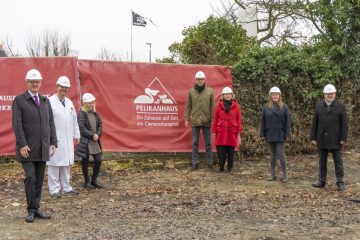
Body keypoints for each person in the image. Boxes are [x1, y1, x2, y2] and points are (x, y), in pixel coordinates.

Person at [12, 68, 57, 222]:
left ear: (40, 83)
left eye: (37, 81)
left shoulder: (45, 101)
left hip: (43, 148)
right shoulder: (19, 100)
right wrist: (22, 144)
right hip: (27, 149)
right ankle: (31, 209)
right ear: (27, 82)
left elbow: (51, 123)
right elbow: (17, 125)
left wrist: (53, 142)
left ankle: (36, 208)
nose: (35, 84)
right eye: (32, 81)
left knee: (38, 179)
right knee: (30, 177)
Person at [47, 76, 80, 199]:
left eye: (66, 88)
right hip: (54, 139)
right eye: (62, 87)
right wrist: (50, 138)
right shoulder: (49, 101)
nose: (64, 90)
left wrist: (77, 134)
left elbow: (74, 119)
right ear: (57, 86)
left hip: (67, 140)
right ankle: (54, 190)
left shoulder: (69, 102)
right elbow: (47, 122)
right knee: (54, 165)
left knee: (66, 164)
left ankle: (66, 187)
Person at [310, 84, 348, 191]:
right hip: (321, 138)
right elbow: (315, 123)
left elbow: (344, 124)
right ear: (324, 94)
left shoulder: (341, 106)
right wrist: (313, 137)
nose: (330, 95)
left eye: (331, 93)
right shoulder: (318, 106)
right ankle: (322, 181)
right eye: (328, 94)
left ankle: (340, 182)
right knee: (322, 162)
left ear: (335, 94)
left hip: (336, 139)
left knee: (338, 162)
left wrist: (343, 138)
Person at [185, 71, 215, 170]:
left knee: (208, 143)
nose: (200, 81)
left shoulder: (210, 91)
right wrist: (186, 118)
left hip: (206, 120)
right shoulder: (191, 91)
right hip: (195, 120)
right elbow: (188, 106)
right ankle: (195, 162)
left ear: (204, 79)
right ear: (196, 80)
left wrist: (212, 119)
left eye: (201, 79)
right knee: (195, 142)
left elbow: (212, 107)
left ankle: (210, 162)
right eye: (198, 79)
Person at [260, 86, 291, 183]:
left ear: (279, 95)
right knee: (272, 155)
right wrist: (262, 133)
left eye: (276, 94)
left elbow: (287, 122)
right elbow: (263, 121)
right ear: (270, 96)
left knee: (281, 155)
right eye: (273, 94)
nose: (275, 96)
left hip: (280, 134)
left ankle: (285, 175)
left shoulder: (284, 107)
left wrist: (287, 134)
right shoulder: (266, 107)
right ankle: (272, 174)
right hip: (269, 133)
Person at [76, 93, 104, 189]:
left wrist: (98, 134)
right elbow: (82, 128)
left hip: (95, 141)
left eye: (93, 103)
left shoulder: (96, 113)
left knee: (98, 160)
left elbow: (100, 124)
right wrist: (92, 135)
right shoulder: (81, 114)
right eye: (89, 103)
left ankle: (94, 181)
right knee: (85, 161)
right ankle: (87, 181)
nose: (92, 105)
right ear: (85, 103)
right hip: (86, 141)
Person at [212, 87, 243, 173]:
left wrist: (239, 132)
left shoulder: (236, 106)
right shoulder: (218, 105)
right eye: (226, 94)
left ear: (232, 95)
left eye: (229, 94)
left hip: (232, 131)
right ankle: (221, 167)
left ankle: (230, 168)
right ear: (223, 95)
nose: (228, 95)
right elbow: (215, 118)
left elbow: (239, 119)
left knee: (231, 151)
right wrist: (214, 130)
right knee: (220, 151)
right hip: (221, 131)